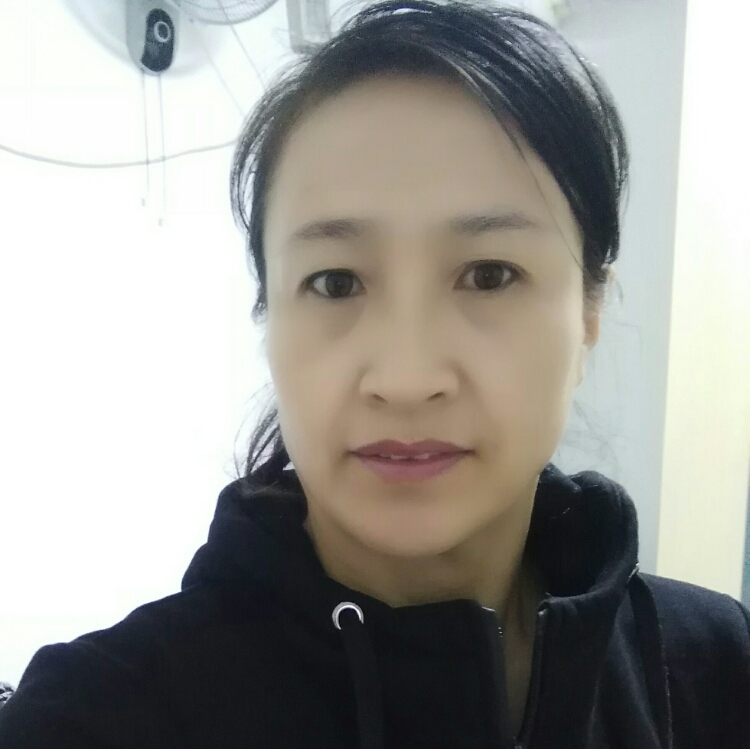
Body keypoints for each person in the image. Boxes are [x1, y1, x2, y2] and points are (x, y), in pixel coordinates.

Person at [1, 1, 749, 747]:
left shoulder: (716, 671)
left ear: (589, 309)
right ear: (269, 316)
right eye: (336, 282)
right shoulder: (93, 715)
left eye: (489, 274)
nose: (405, 377)